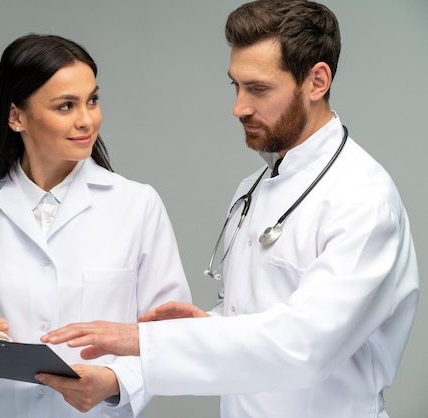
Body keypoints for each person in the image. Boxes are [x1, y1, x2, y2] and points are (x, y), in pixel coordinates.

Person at [38, 2, 420, 417]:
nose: (238, 107)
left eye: (258, 89)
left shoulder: (362, 199)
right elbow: (262, 320)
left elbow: (304, 345)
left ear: (317, 81)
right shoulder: (253, 188)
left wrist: (141, 341)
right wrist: (209, 324)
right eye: (235, 86)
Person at [0, 33, 191, 418]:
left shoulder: (137, 204)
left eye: (92, 100)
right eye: (66, 106)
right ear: (16, 117)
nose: (86, 120)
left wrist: (114, 384)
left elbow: (170, 334)